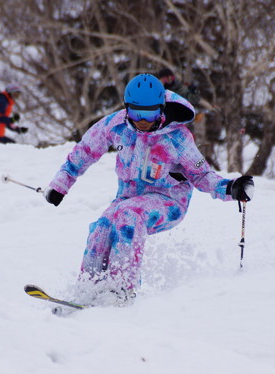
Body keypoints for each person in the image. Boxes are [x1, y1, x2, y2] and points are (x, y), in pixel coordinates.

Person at [42, 73, 253, 305]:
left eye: (150, 113)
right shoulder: (117, 125)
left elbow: (202, 174)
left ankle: (122, 291)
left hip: (169, 201)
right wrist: (61, 184)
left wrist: (230, 188)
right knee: (102, 228)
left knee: (129, 216)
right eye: (136, 113)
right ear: (126, 109)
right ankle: (88, 289)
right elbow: (84, 151)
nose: (142, 120)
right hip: (127, 199)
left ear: (161, 109)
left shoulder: (177, 138)